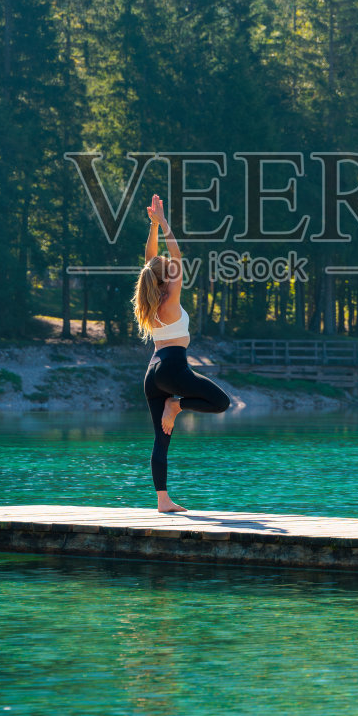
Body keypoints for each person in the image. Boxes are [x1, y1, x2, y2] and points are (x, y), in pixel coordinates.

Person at [133, 193, 231, 513]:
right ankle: (177, 406)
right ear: (166, 277)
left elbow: (153, 260)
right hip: (174, 368)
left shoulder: (150, 301)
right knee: (221, 403)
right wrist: (163, 223)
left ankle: (163, 501)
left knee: (161, 439)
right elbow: (176, 254)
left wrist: (152, 226)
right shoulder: (171, 298)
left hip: (152, 372)